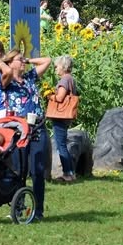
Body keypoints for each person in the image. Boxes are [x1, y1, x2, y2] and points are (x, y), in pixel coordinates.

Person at [0, 49, 52, 220]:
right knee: (19, 170)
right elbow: (6, 71)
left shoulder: (30, 77)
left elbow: (47, 60)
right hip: (18, 129)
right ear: (10, 63)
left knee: (38, 170)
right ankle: (18, 208)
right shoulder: (7, 81)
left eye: (23, 59)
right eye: (19, 60)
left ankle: (38, 211)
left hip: (37, 128)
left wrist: (26, 60)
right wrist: (4, 62)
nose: (23, 62)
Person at [50, 54, 79, 183]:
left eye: (56, 66)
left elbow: (60, 97)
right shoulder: (71, 79)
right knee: (63, 144)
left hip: (60, 116)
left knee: (61, 145)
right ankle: (71, 173)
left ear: (63, 67)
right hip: (66, 116)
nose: (55, 69)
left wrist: (49, 95)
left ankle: (67, 173)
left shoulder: (64, 80)